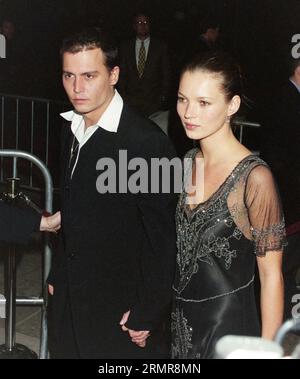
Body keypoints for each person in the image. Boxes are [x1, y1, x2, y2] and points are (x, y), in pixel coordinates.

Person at [47, 27, 177, 359]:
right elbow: (75, 211)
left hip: (118, 311)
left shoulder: (147, 143)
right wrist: (58, 273)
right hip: (69, 302)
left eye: (89, 75)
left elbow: (163, 239)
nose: (77, 88)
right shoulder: (70, 127)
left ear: (114, 74)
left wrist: (148, 311)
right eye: (69, 75)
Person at [171, 51, 285, 359]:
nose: (188, 113)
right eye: (183, 99)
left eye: (204, 103)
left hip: (229, 330)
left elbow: (271, 275)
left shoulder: (254, 178)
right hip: (180, 325)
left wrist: (267, 350)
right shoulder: (187, 162)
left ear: (231, 106)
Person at [261, 57, 300, 319]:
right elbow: (279, 156)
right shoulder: (285, 99)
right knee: (282, 267)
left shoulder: (289, 97)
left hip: (290, 198)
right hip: (287, 199)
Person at [118, 12, 171, 117]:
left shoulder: (160, 46)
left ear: (149, 25)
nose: (142, 25)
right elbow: (122, 73)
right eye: (139, 22)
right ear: (134, 26)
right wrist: (123, 96)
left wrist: (163, 96)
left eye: (145, 22)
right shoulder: (125, 47)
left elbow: (166, 73)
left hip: (153, 101)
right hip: (130, 101)